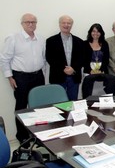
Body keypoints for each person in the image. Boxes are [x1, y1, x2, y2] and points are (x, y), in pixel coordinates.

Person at [0, 13, 46, 143]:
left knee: (39, 107)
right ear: (22, 24)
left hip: (38, 76)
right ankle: (22, 137)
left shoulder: (41, 39)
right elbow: (4, 59)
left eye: (33, 22)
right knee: (21, 107)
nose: (31, 24)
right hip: (21, 77)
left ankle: (37, 135)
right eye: (28, 22)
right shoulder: (13, 38)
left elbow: (43, 58)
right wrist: (9, 77)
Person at [46, 15, 84, 101]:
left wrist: (73, 69)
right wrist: (64, 69)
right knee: (58, 103)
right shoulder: (51, 41)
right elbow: (50, 58)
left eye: (69, 23)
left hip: (74, 77)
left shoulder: (79, 41)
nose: (66, 25)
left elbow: (82, 58)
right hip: (58, 76)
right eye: (64, 23)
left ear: (72, 25)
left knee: (72, 102)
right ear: (59, 24)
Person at [81, 23, 115, 98]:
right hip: (89, 72)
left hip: (102, 72)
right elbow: (83, 59)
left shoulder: (104, 44)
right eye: (93, 31)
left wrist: (101, 70)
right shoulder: (84, 44)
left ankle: (112, 100)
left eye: (98, 31)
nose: (96, 33)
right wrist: (90, 71)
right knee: (87, 84)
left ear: (101, 33)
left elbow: (106, 59)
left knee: (112, 80)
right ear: (90, 32)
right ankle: (87, 102)